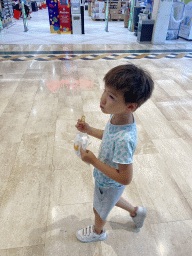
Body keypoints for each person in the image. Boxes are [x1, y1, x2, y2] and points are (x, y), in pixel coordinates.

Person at [75, 63, 154, 243]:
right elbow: (108, 135)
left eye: (111, 96)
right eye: (105, 91)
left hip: (109, 182)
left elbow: (125, 178)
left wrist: (94, 161)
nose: (102, 99)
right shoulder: (118, 117)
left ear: (130, 107)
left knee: (99, 209)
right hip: (110, 184)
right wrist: (89, 130)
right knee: (112, 199)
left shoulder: (124, 139)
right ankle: (136, 212)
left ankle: (98, 231)